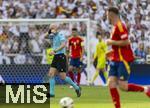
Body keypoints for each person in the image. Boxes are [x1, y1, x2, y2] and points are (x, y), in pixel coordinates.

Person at [106, 7, 150, 108]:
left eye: (107, 14)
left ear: (111, 14)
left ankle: (145, 89)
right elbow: (119, 46)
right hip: (115, 59)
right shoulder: (114, 27)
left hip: (123, 60)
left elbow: (126, 42)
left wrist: (110, 42)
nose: (106, 16)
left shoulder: (120, 26)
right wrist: (111, 52)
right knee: (111, 83)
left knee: (123, 86)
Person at [45, 24, 81, 98]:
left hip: (61, 56)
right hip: (55, 57)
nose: (51, 29)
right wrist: (49, 31)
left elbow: (63, 44)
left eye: (52, 28)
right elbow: (45, 36)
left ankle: (76, 87)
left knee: (63, 77)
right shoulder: (52, 35)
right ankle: (52, 93)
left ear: (56, 28)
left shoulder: (60, 34)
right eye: (50, 28)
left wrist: (55, 50)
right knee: (51, 74)